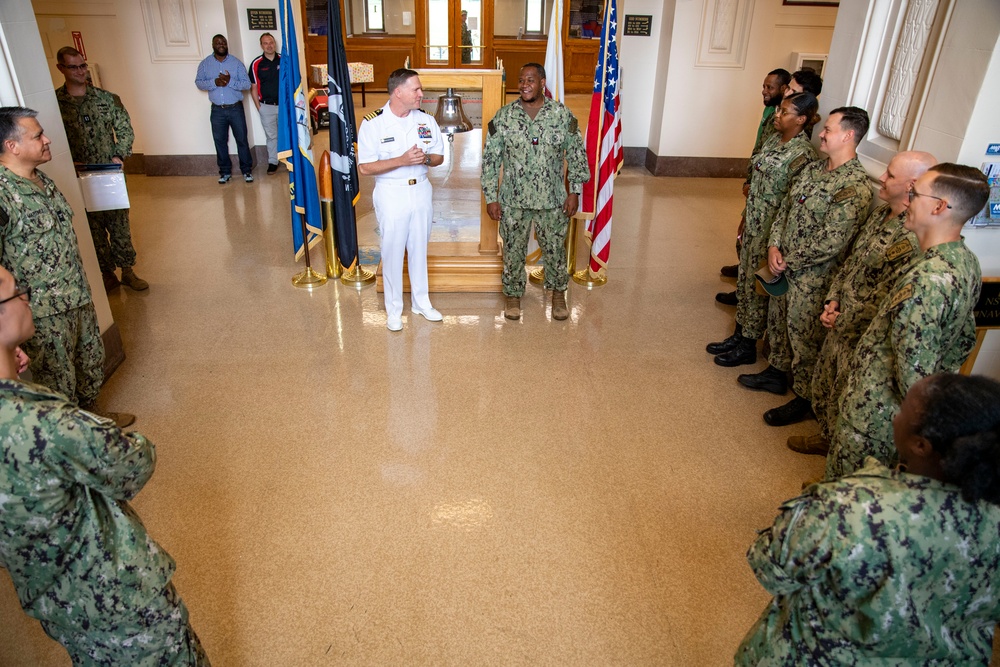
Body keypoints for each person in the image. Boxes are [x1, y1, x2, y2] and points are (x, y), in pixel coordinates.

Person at [0, 263, 210, 665]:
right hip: (118, 602)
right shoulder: (44, 421)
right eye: (16, 290)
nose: (26, 296)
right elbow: (134, 460)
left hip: (55, 605)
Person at [736, 372, 1000, 665]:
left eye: (901, 412)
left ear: (921, 445)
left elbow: (769, 567)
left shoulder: (849, 505)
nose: (893, 418)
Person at [826, 163, 987, 480]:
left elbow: (913, 369)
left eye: (916, 194)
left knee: (850, 488)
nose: (909, 200)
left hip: (878, 410)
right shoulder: (964, 261)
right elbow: (965, 338)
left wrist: (903, 415)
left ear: (940, 207)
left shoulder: (928, 280)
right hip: (889, 406)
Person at [788, 151, 936, 457]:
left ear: (911, 185)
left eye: (890, 175)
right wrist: (833, 299)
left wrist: (841, 318)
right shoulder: (881, 215)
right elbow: (851, 262)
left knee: (847, 397)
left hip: (861, 333)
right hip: (840, 318)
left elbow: (884, 299)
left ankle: (838, 461)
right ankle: (827, 439)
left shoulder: (910, 239)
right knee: (826, 386)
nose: (881, 177)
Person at [738, 107, 873, 428]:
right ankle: (775, 372)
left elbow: (833, 240)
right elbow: (784, 209)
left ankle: (804, 399)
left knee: (805, 339)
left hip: (813, 279)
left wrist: (789, 259)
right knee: (781, 323)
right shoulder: (813, 169)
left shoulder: (854, 186)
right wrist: (773, 245)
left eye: (828, 129)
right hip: (783, 266)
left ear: (849, 135)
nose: (822, 134)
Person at [0, 106, 133, 427]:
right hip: (43, 312)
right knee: (58, 382)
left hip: (76, 296)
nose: (47, 140)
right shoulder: (4, 194)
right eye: (37, 136)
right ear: (12, 146)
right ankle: (73, 439)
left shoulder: (41, 180)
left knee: (89, 363)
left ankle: (93, 419)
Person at [707, 93, 818, 367]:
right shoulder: (773, 139)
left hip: (771, 235)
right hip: (754, 225)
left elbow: (791, 203)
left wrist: (776, 241)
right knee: (744, 283)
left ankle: (747, 345)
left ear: (801, 119)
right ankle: (739, 334)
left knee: (757, 289)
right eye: (779, 110)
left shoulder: (802, 155)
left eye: (785, 112)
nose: (777, 115)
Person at [481, 63, 589, 321]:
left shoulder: (561, 115)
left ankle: (558, 295)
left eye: (530, 80)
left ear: (542, 82)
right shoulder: (504, 117)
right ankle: (513, 295)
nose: (524, 84)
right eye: (521, 80)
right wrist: (491, 197)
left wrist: (574, 191)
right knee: (513, 250)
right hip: (513, 200)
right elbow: (490, 160)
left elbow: (576, 155)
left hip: (551, 200)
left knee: (554, 250)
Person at [357, 69, 445, 332]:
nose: (421, 94)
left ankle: (421, 302)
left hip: (421, 190)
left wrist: (425, 159)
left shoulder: (426, 120)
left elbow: (439, 156)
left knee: (419, 248)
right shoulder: (374, 124)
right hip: (391, 192)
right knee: (393, 251)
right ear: (398, 92)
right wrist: (402, 160)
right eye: (416, 89)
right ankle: (393, 310)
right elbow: (365, 167)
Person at [55, 46, 148, 293]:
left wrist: (120, 154)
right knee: (92, 226)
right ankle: (106, 273)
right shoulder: (55, 104)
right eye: (73, 67)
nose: (80, 71)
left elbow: (125, 129)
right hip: (79, 175)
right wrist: (67, 164)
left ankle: (127, 270)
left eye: (82, 65)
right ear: (61, 69)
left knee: (119, 223)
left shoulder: (106, 99)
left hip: (109, 172)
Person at [718, 69, 791, 305]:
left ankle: (745, 291)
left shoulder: (784, 124)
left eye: (770, 87)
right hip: (757, 188)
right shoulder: (771, 111)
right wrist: (750, 178)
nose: (765, 91)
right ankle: (743, 277)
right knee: (744, 240)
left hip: (767, 199)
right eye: (764, 86)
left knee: (754, 247)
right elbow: (760, 148)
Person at [195, 34, 253, 184]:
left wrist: (230, 82)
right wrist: (214, 82)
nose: (221, 44)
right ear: (213, 45)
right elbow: (199, 83)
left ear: (227, 44)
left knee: (241, 140)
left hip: (235, 109)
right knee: (220, 141)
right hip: (217, 110)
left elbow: (247, 84)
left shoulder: (236, 63)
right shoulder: (205, 64)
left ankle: (247, 171)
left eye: (223, 42)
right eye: (218, 42)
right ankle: (225, 172)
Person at [248, 33, 280, 175]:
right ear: (261, 45)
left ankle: (289, 160)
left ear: (274, 43)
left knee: (287, 134)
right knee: (272, 136)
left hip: (284, 107)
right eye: (265, 43)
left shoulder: (284, 60)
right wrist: (259, 107)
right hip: (266, 106)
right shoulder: (256, 64)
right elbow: (253, 87)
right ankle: (273, 162)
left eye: (271, 42)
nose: (269, 45)